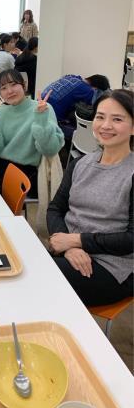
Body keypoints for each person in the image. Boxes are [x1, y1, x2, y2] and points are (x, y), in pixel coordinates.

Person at [47, 89, 133, 306]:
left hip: (112, 265)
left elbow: (131, 240)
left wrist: (77, 241)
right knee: (17, 263)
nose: (105, 126)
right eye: (100, 117)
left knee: (37, 279)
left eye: (117, 119)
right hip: (69, 251)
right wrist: (71, 247)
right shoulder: (80, 164)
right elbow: (55, 209)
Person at [0, 69, 64, 195]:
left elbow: (50, 150)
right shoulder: (1, 112)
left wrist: (41, 119)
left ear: (24, 85)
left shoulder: (42, 108)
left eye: (14, 84)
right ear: (0, 93)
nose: (10, 91)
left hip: (27, 171)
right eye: (3, 88)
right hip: (1, 166)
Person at [41, 74, 111, 123]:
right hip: (52, 116)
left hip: (40, 106)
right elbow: (94, 106)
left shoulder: (71, 77)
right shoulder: (87, 90)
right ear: (95, 88)